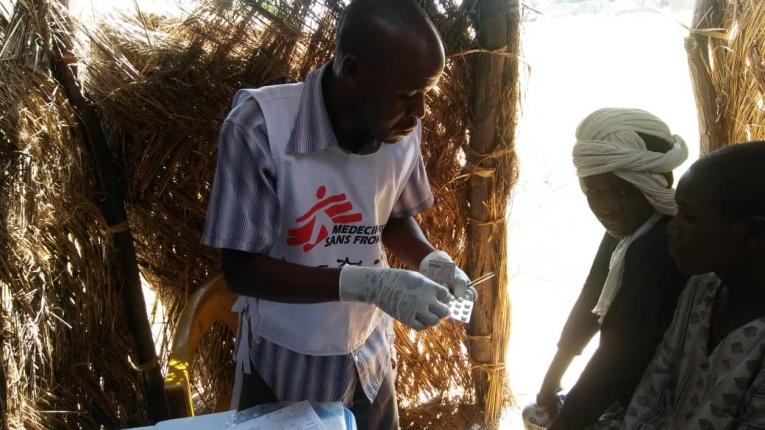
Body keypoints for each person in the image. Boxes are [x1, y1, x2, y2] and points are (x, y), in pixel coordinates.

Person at [201, 1, 474, 429]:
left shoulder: (400, 127)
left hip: (368, 358)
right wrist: (365, 283)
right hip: (286, 359)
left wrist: (430, 260)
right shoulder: (260, 127)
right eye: (406, 96)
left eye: (426, 94)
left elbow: (392, 214)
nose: (419, 111)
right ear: (352, 72)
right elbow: (243, 269)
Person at [523, 108, 690, 430]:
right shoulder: (628, 229)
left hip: (664, 398)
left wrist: (567, 421)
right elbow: (591, 298)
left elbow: (618, 356)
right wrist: (552, 379)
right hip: (629, 387)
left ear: (657, 181)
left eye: (624, 191)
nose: (607, 206)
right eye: (594, 191)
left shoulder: (661, 244)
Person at [616, 140, 765, 429]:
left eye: (690, 217)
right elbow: (657, 383)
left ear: (754, 233)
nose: (672, 228)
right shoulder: (702, 289)